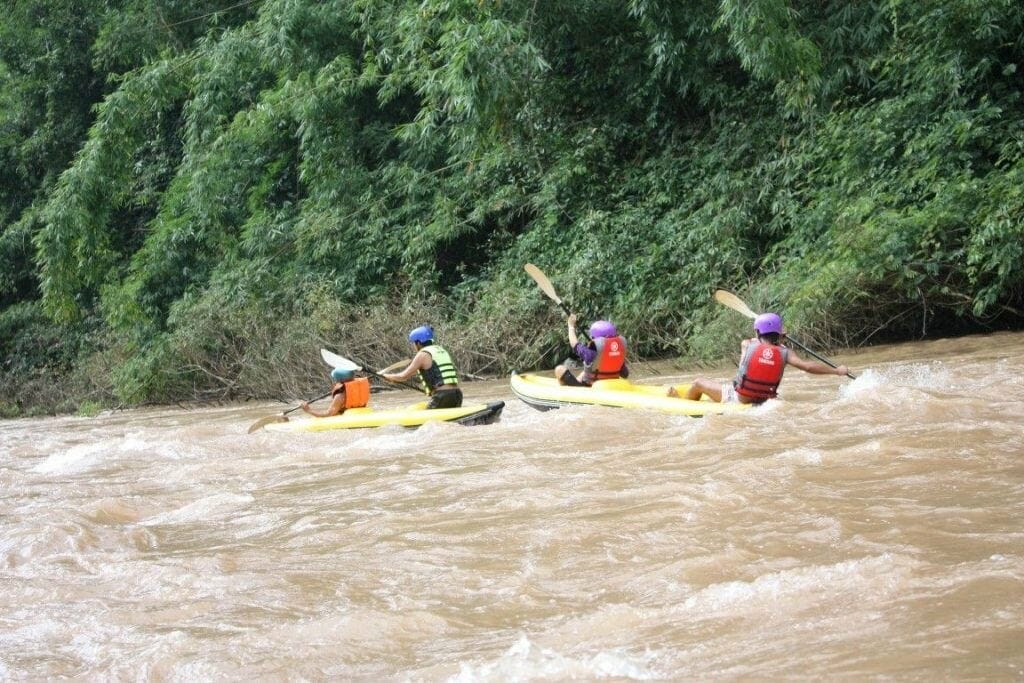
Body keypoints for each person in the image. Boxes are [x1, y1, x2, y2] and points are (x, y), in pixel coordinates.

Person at [677, 312, 850, 404]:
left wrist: (771, 335)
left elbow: (756, 346)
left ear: (758, 332)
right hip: (766, 401)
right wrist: (837, 371)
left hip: (739, 399)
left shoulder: (747, 344)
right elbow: (808, 367)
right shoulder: (785, 353)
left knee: (698, 382)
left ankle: (683, 404)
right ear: (780, 333)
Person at [382, 325, 463, 409]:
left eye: (413, 343)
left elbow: (403, 376)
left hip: (443, 395)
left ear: (418, 343)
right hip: (457, 394)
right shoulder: (441, 350)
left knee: (430, 421)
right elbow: (422, 372)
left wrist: (384, 376)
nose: (413, 346)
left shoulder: (422, 354)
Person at [554, 313, 630, 386]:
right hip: (612, 386)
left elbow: (574, 344)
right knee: (587, 370)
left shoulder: (590, 354)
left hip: (592, 387)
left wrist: (571, 326)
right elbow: (625, 374)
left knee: (559, 369)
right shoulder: (618, 353)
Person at [301, 367, 371, 417]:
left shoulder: (340, 396)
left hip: (349, 417)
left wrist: (309, 410)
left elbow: (329, 413)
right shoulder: (359, 385)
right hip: (364, 412)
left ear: (339, 380)